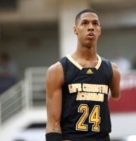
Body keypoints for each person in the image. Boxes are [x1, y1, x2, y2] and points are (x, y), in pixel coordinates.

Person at [45, 9, 121, 141]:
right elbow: (53, 124)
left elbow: (116, 95)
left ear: (99, 30)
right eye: (85, 23)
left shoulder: (112, 70)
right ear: (75, 30)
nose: (90, 27)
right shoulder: (58, 70)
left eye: (95, 24)